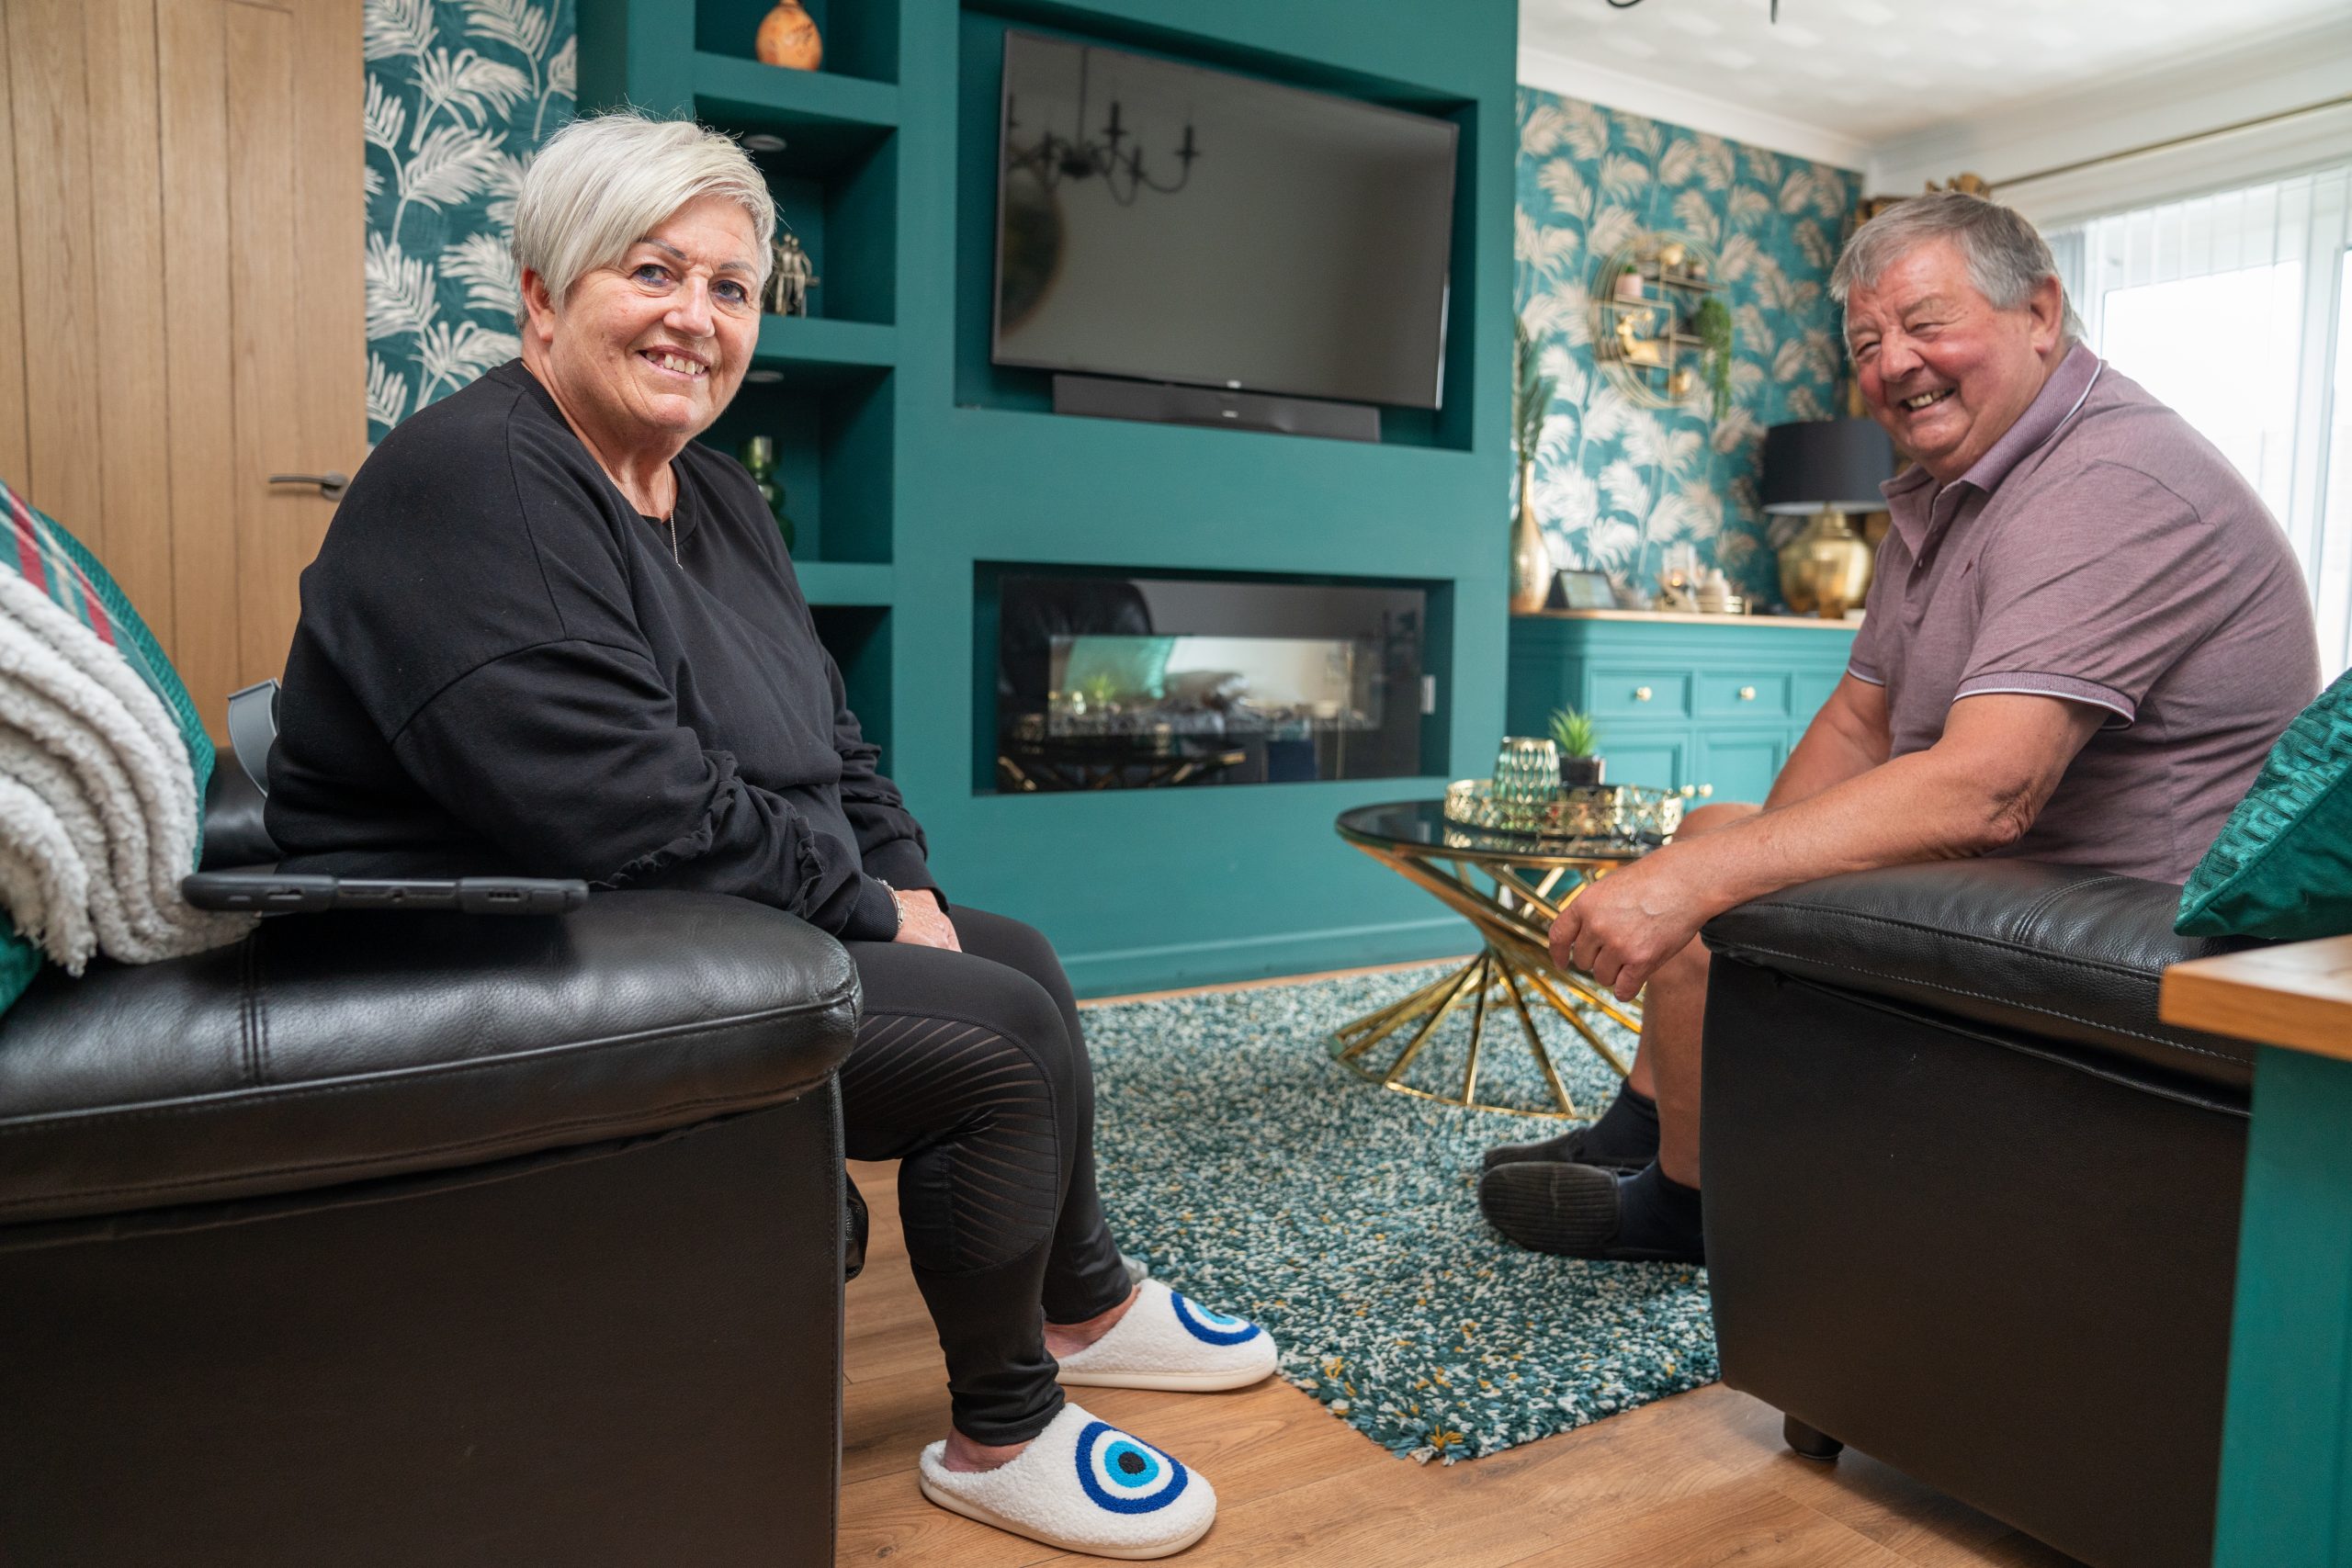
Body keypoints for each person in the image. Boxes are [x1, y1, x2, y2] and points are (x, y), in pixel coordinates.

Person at [265, 111, 1269, 1562]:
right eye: (651, 272)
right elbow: (626, 804)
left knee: (1021, 957)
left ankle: (1086, 1298)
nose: (695, 317)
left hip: (643, 898)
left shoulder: (718, 495)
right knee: (987, 1042)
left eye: (730, 288)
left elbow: (829, 734)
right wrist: (859, 901)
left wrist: (902, 873)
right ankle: (1005, 1426)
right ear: (543, 294)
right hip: (499, 931)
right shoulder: (472, 481)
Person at [1478, 191, 2320, 1264]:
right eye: (1867, 343)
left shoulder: (2107, 481)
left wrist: (1703, 889)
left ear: (2040, 312)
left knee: (1702, 868)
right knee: (1710, 837)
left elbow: (1988, 790)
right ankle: (1653, 1134)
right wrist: (1727, 879)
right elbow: (1862, 720)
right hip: (2027, 878)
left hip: (2134, 925)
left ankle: (1686, 1206)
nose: (1894, 364)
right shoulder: (1948, 490)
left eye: (1927, 323)